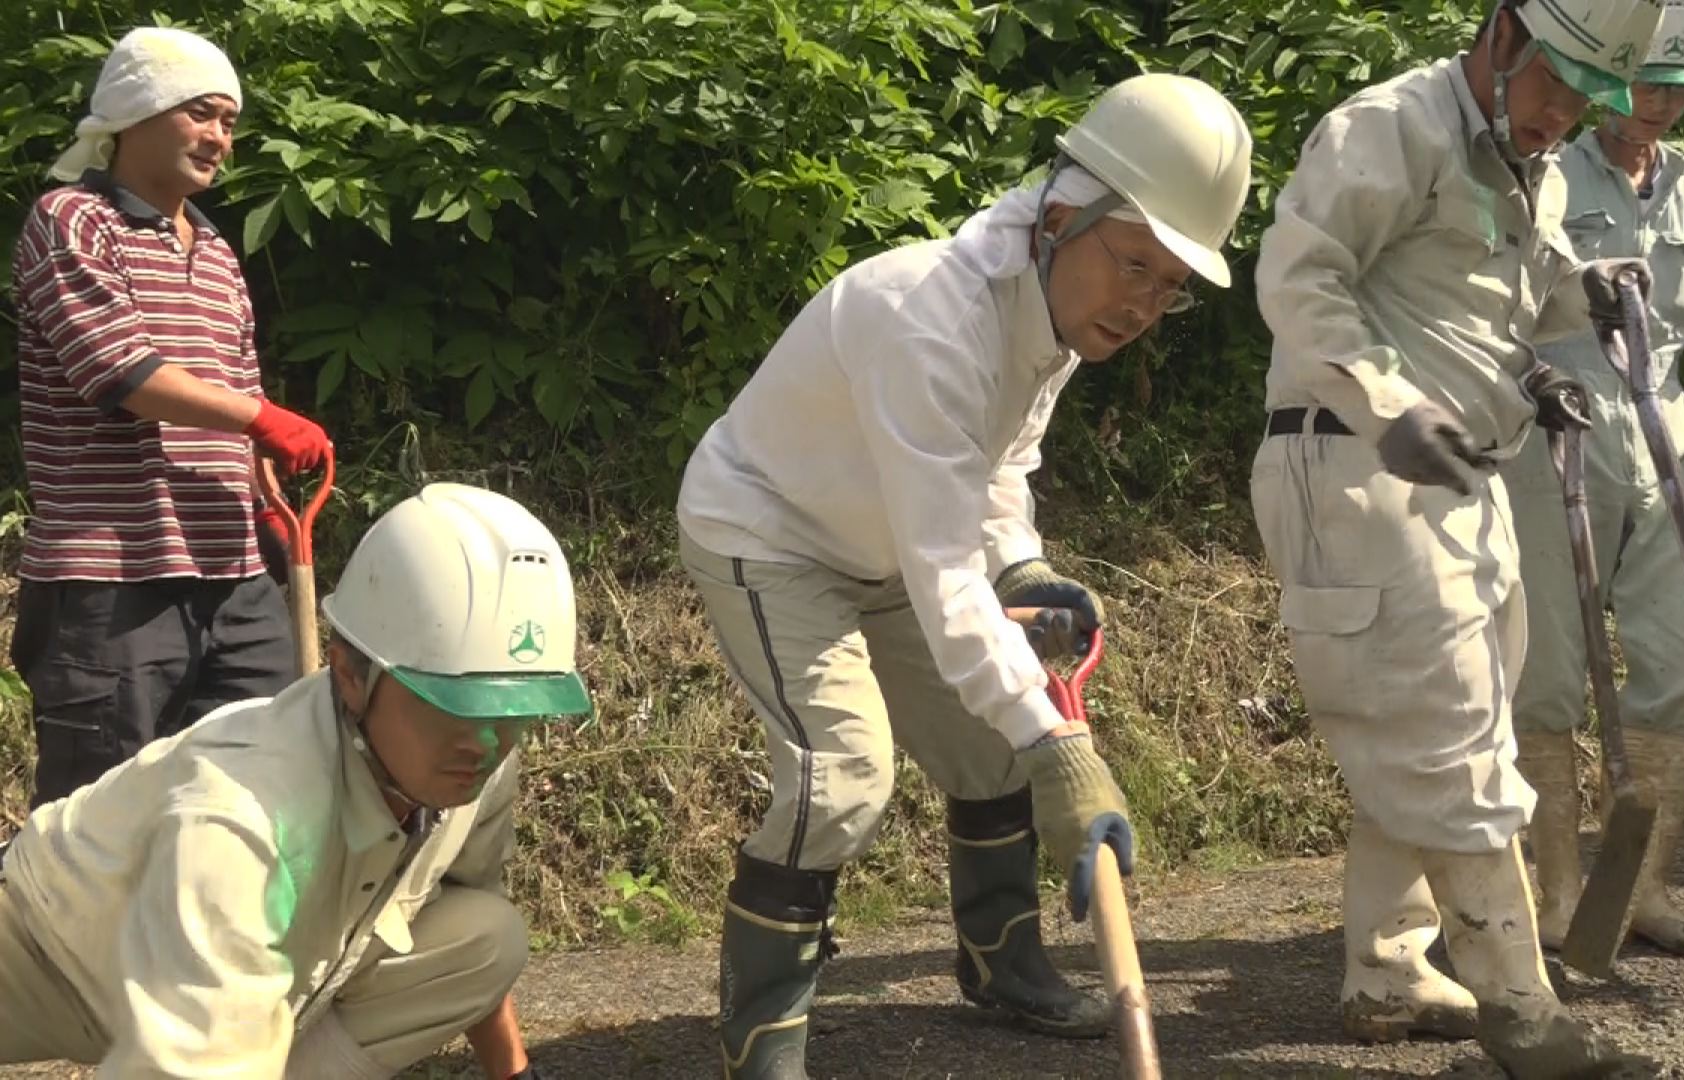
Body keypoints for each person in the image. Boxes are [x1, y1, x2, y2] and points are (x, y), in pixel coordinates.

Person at [676, 73, 1252, 1077]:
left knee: (995, 741)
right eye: (1133, 265)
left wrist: (1022, 566)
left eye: (1171, 285)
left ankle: (1001, 961)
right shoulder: (929, 319)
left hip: (895, 539)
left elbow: (999, 470)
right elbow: (946, 578)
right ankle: (763, 1038)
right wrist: (1060, 748)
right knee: (840, 782)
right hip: (771, 532)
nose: (1146, 304)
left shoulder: (1058, 313)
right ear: (1064, 216)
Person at [1251, 0, 1662, 1074]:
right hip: (1355, 456)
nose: (1563, 116)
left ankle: (1389, 971)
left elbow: (1509, 304)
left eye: (1588, 102)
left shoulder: (1541, 168)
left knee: (1451, 716)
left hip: (1461, 476)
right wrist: (1389, 401)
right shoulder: (1391, 128)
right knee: (1446, 732)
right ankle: (1524, 1013)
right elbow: (1298, 277)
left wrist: (1588, 294)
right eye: (1554, 85)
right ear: (1501, 34)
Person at [0, 482, 577, 1077]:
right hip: (50, 953)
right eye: (453, 706)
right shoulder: (243, 817)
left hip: (231, 980)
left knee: (486, 940)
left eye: (514, 712)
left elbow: (472, 904)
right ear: (351, 674)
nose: (485, 742)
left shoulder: (477, 767)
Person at [1504, 0, 1684, 958]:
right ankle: (1556, 888)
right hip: (1555, 429)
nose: (1657, 104)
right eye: (1642, 81)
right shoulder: (1542, 173)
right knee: (1545, 667)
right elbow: (1500, 307)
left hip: (1665, 432)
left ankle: (1645, 890)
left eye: (1677, 87)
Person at [8, 26, 332, 808]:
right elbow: (122, 372)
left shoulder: (217, 252)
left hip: (236, 577)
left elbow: (238, 392)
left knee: (256, 791)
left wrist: (269, 495)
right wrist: (265, 419)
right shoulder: (71, 221)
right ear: (137, 111)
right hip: (112, 581)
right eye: (201, 113)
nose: (220, 136)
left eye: (229, 119)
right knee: (102, 818)